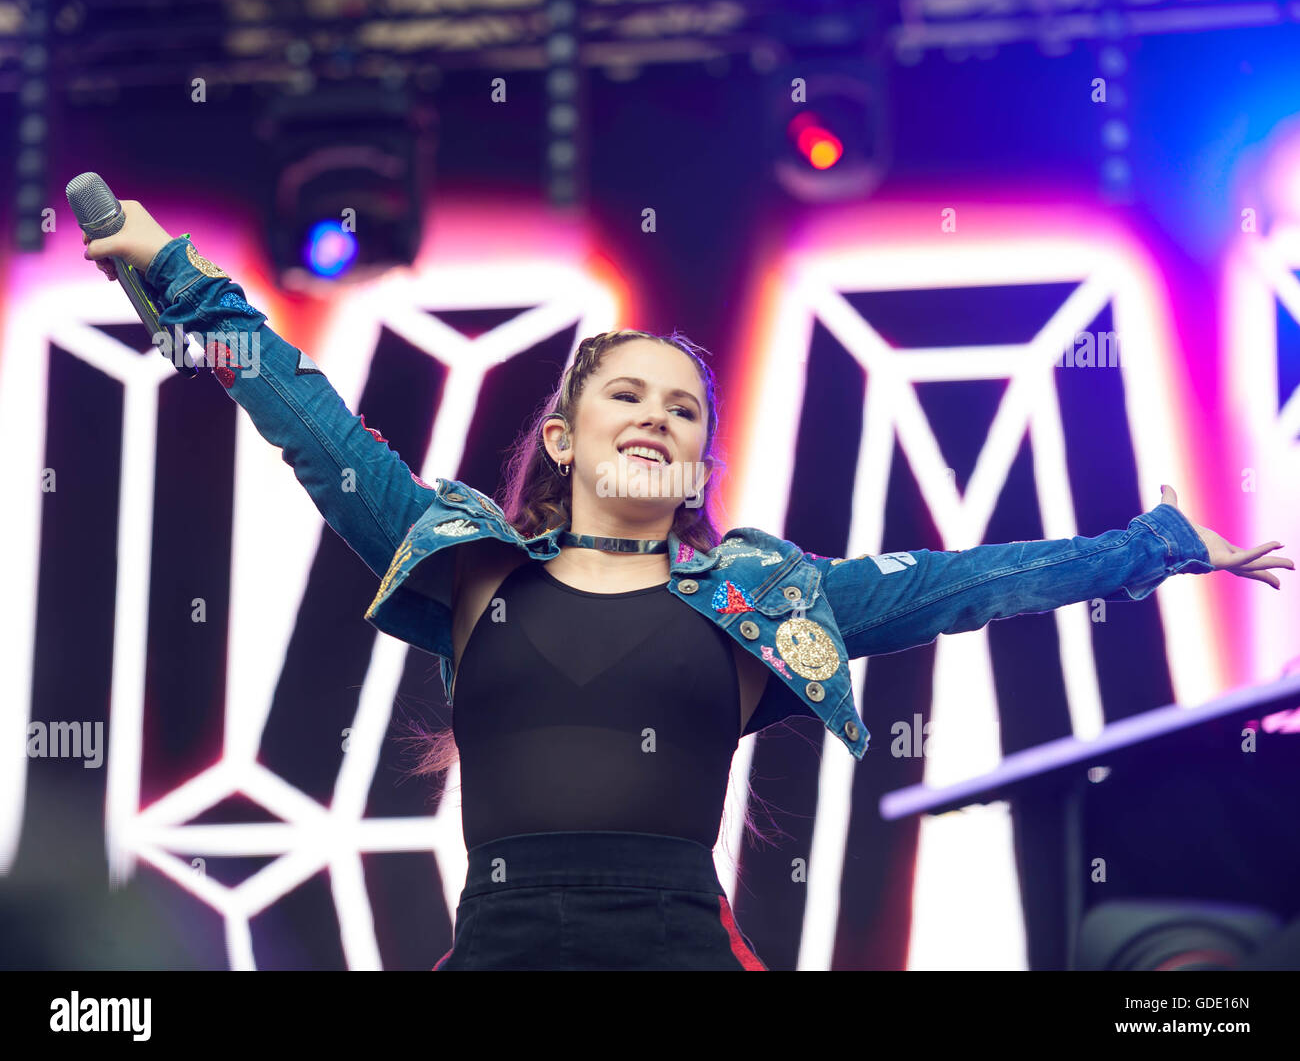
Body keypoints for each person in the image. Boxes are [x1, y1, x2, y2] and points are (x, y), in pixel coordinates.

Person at [83, 203, 1293, 971]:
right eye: (627, 395)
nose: (657, 416)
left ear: (700, 459)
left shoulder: (758, 600)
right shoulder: (466, 568)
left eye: (683, 410)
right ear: (562, 438)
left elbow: (967, 582)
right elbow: (307, 419)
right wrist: (174, 277)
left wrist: (1158, 547)